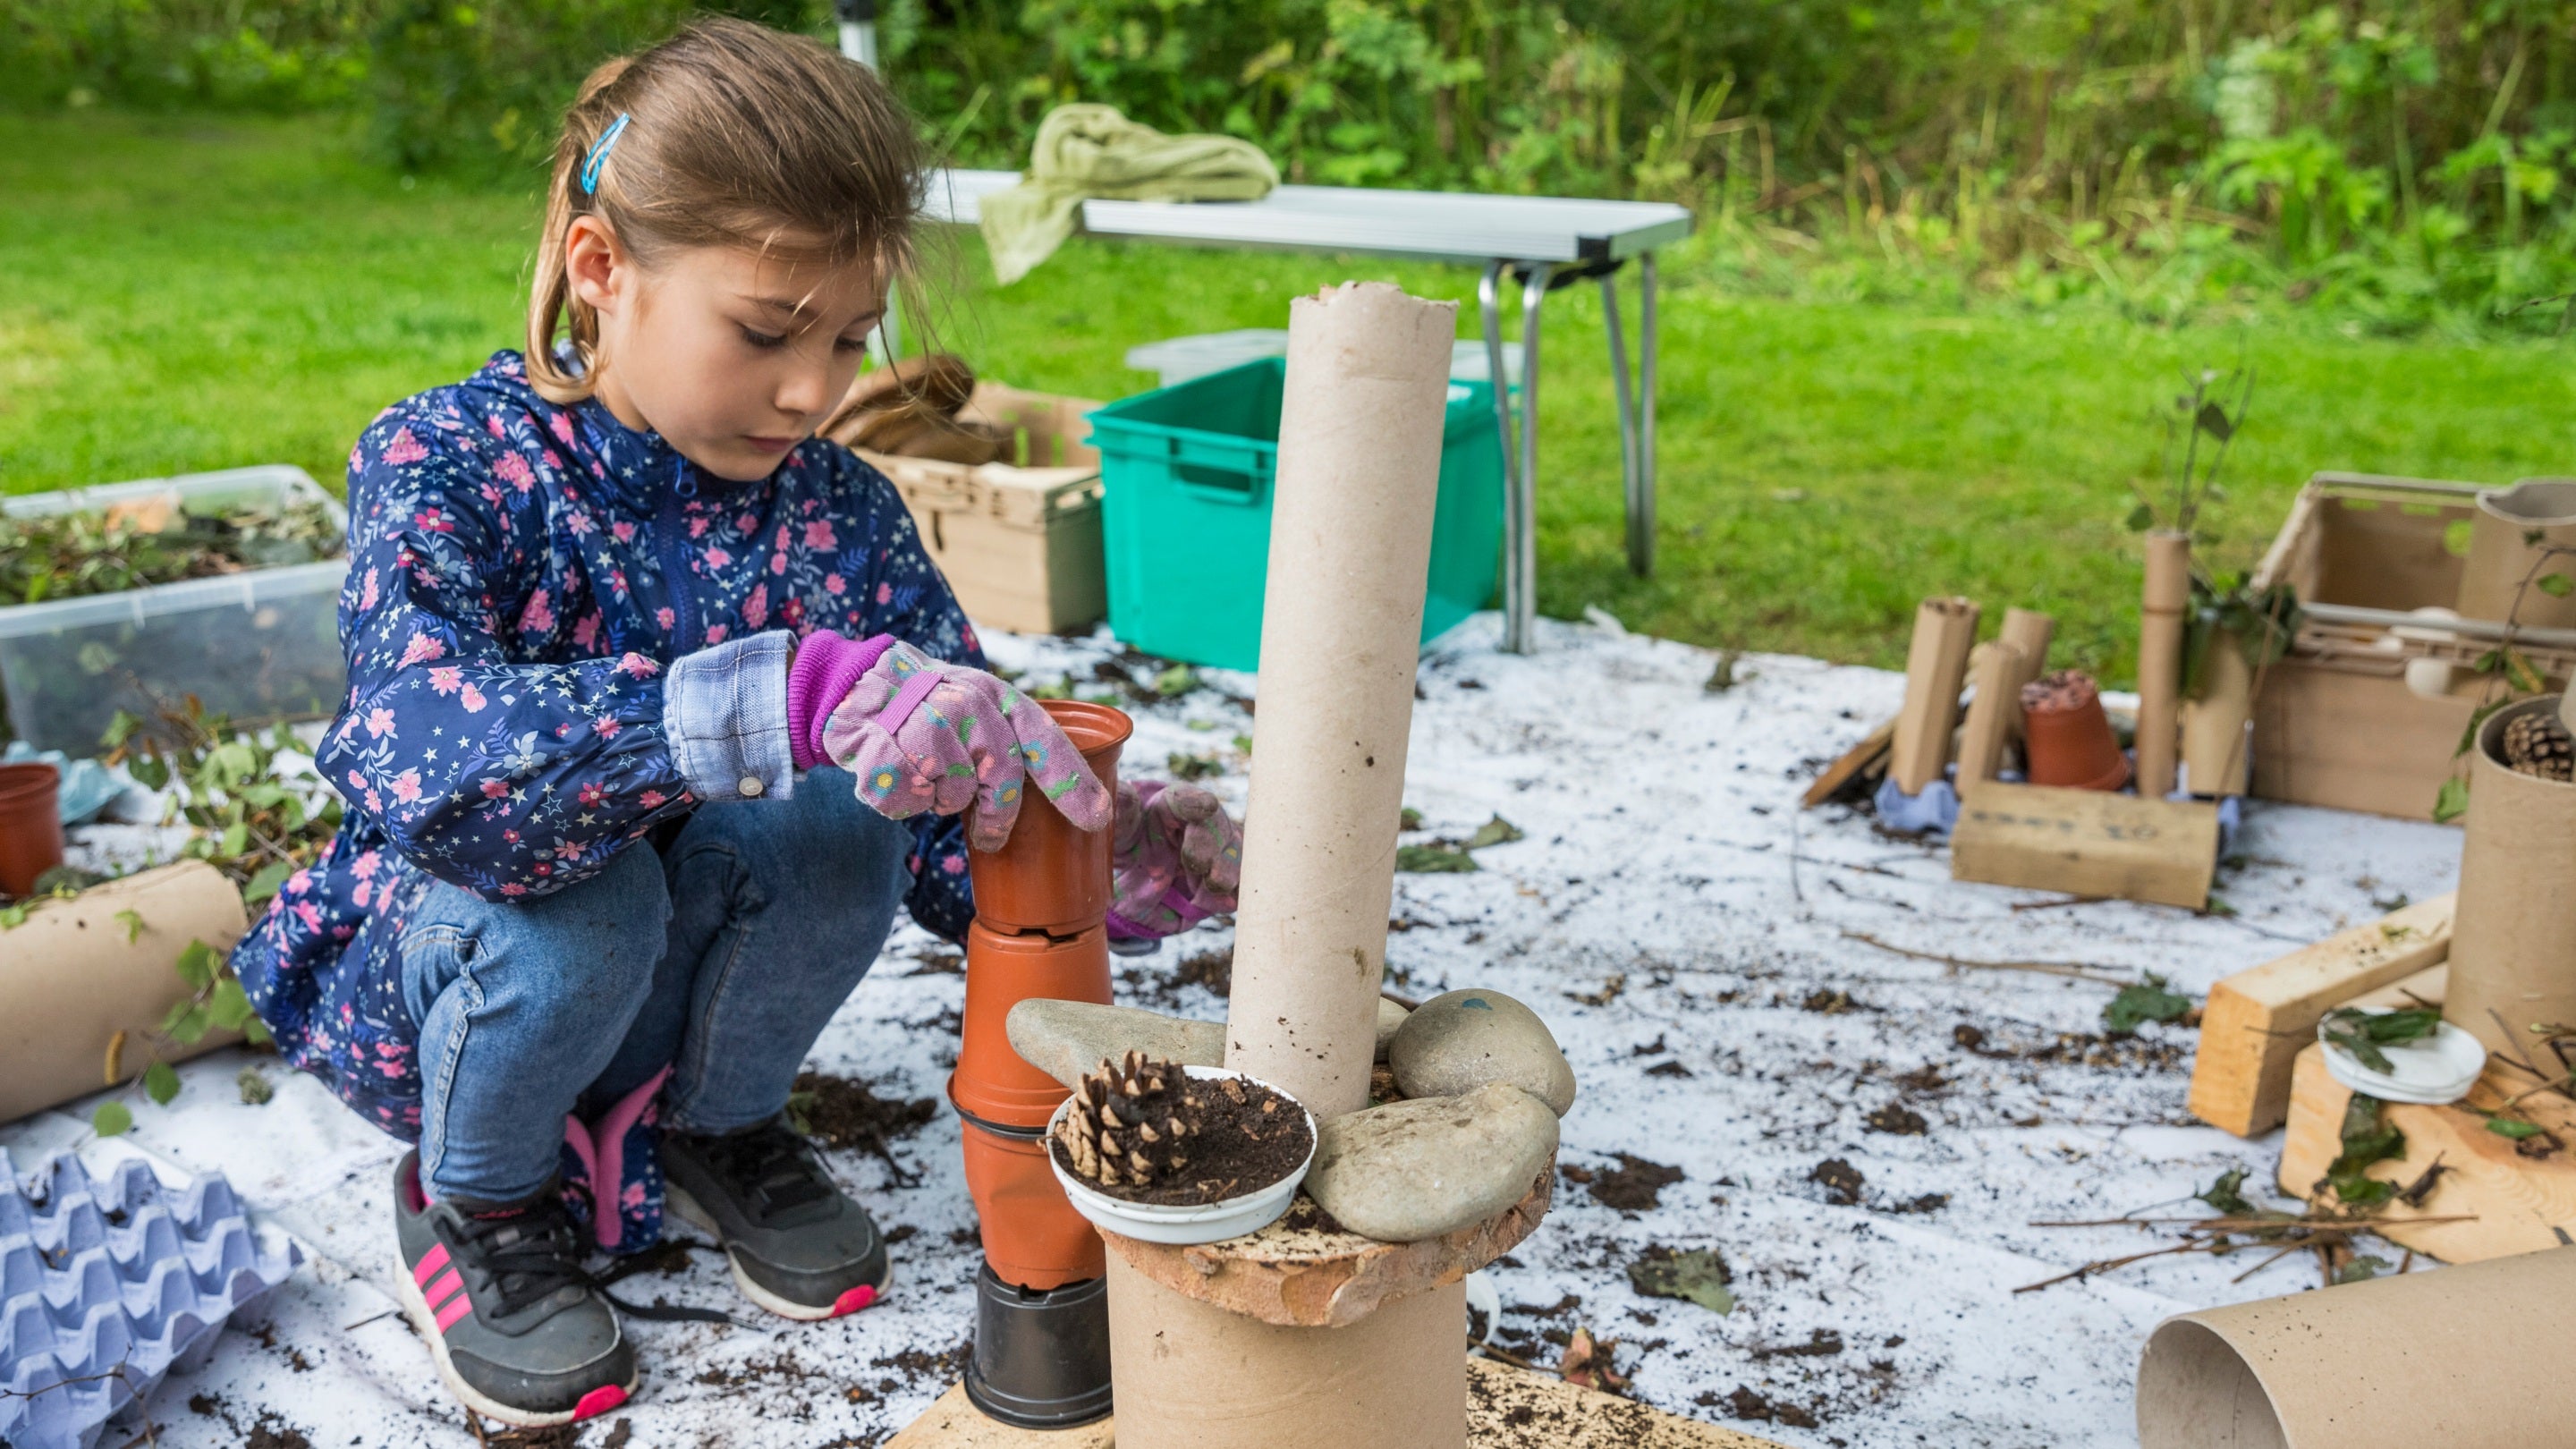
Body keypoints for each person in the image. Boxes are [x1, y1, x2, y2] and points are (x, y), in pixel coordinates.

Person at [230, 19, 1241, 1429]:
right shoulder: (448, 460)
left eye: (847, 337)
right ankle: (478, 1197)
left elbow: (955, 792)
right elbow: (425, 754)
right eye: (767, 332)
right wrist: (750, 703)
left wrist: (1102, 863)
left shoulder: (835, 511)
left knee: (845, 827)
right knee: (583, 906)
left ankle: (712, 1122)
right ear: (602, 271)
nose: (816, 390)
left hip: (677, 973)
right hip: (469, 962)